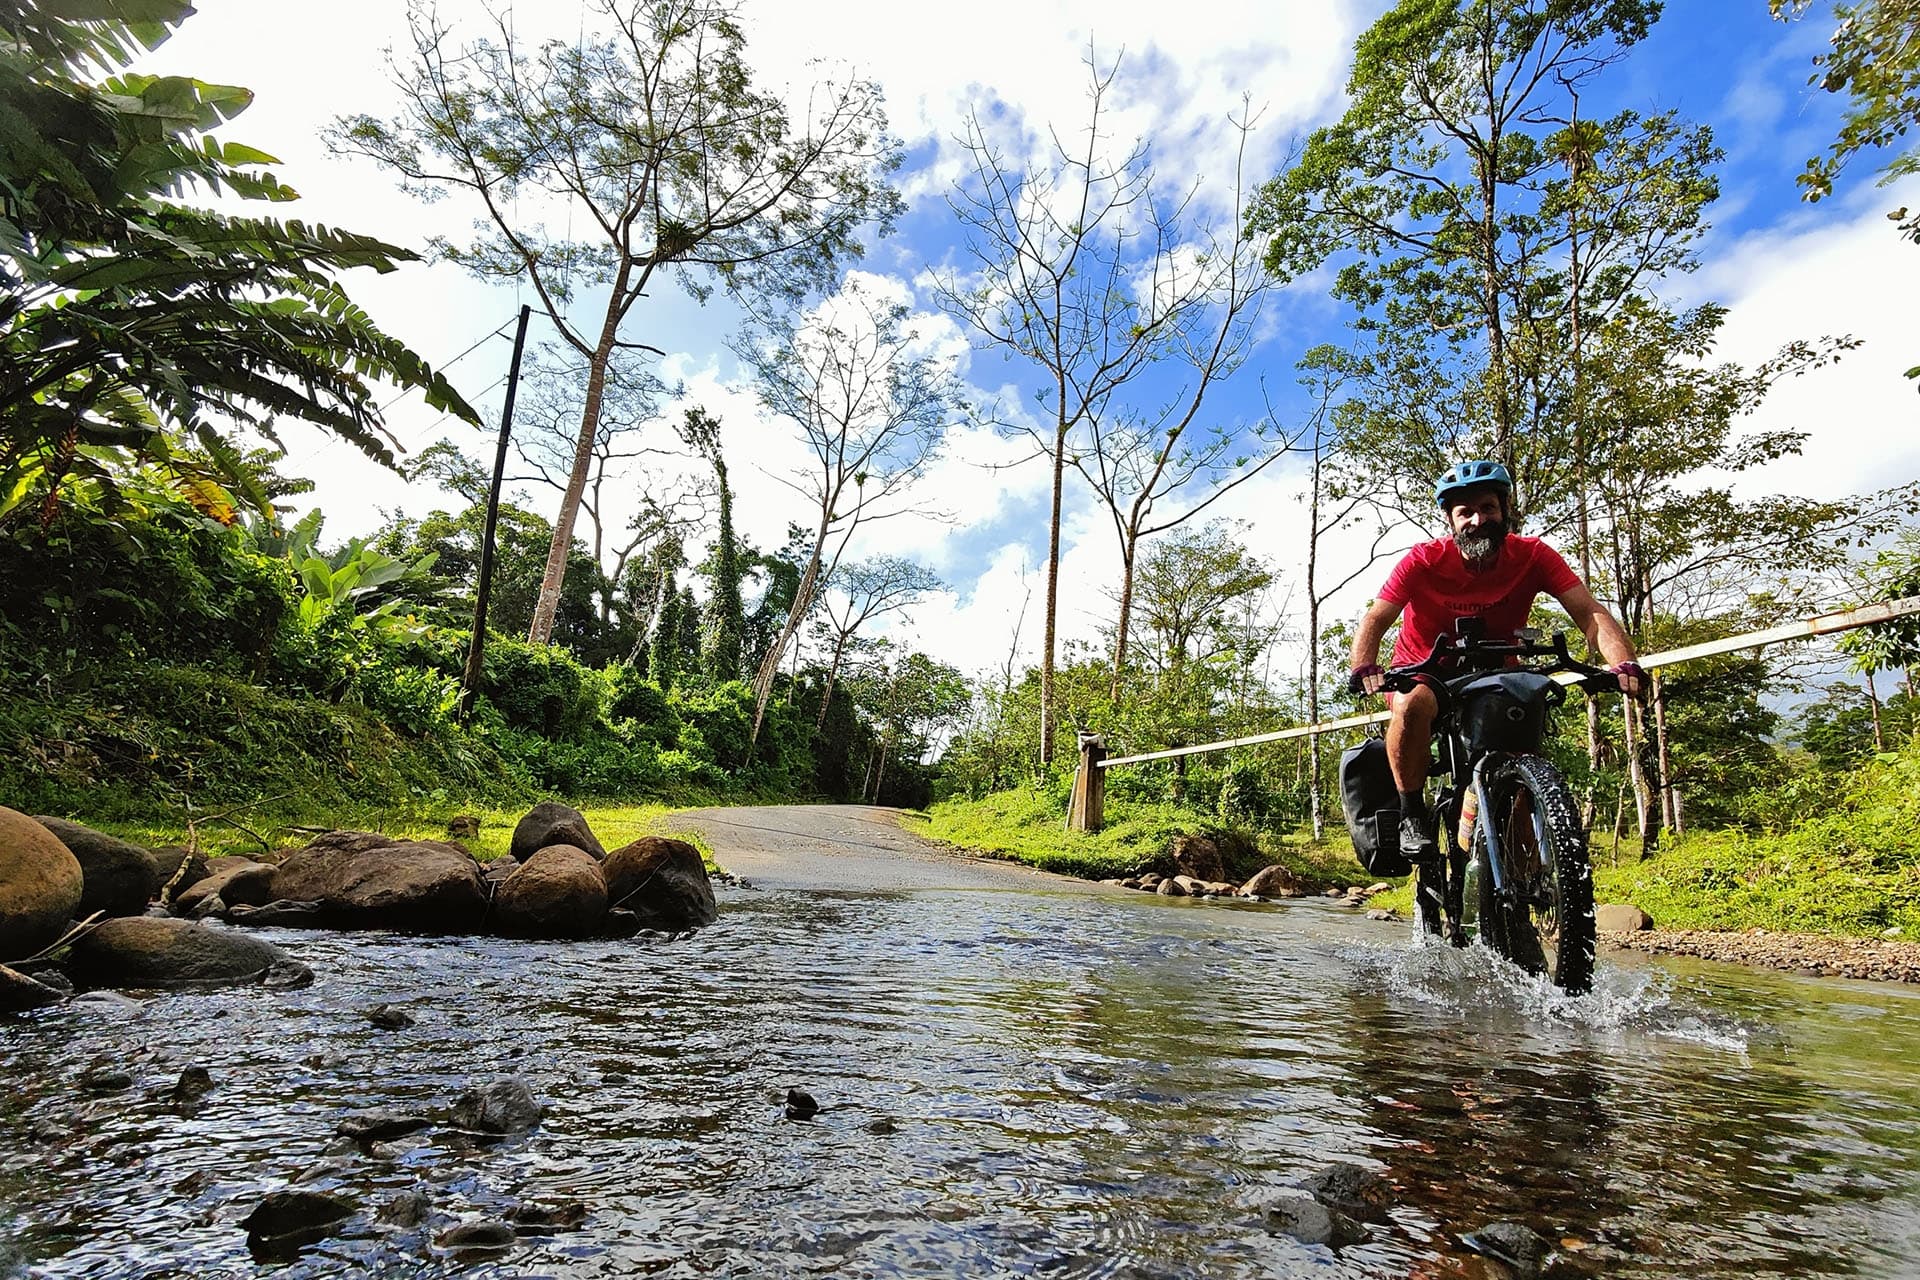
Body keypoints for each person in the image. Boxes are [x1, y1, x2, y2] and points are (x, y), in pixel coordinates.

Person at [1347, 460, 1644, 884]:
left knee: (1518, 764)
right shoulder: (1423, 560)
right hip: (1427, 669)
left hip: (1498, 670)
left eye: (1487, 508)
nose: (1477, 520)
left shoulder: (1534, 555)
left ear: (1504, 511)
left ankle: (1524, 886)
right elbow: (1376, 618)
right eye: (1464, 512)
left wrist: (1622, 662)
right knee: (1414, 702)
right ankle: (1412, 813)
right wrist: (1364, 666)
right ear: (1450, 520)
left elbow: (1590, 613)